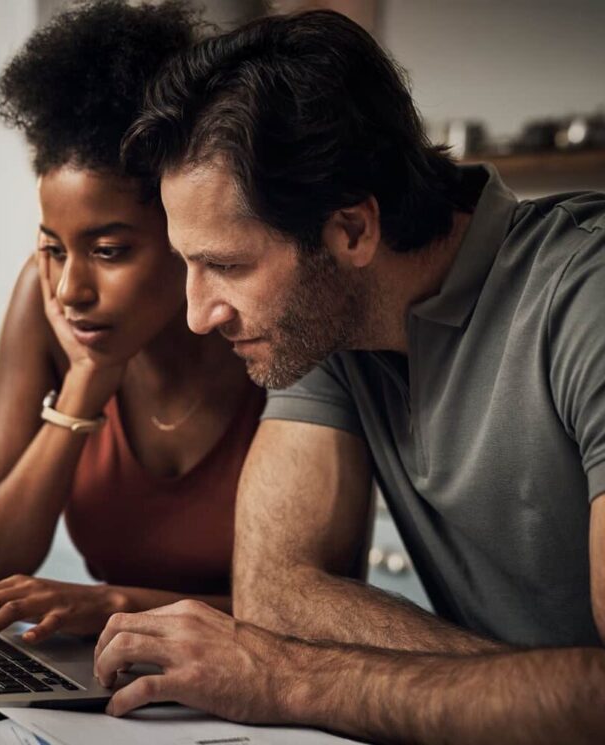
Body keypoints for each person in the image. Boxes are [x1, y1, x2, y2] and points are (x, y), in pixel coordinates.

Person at [91, 10, 605, 743]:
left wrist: (285, 676)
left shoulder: (587, 296)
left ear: (354, 231)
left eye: (228, 266)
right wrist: (530, 699)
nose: (198, 313)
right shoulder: (327, 322)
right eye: (189, 265)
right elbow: (275, 597)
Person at [0, 1, 266, 650]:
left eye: (109, 250)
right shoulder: (45, 301)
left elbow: (313, 607)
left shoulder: (266, 328)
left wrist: (119, 604)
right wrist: (86, 384)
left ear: (185, 231)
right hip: (109, 679)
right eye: (53, 247)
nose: (70, 288)